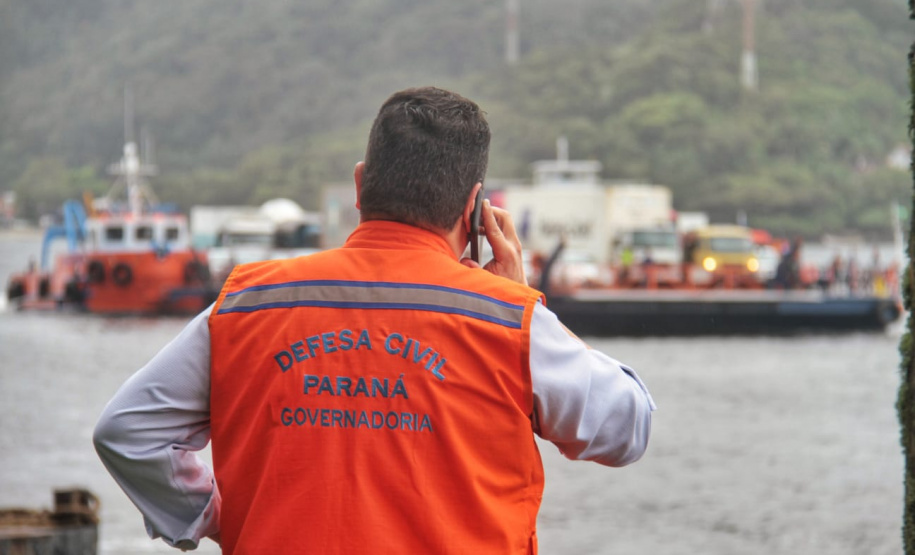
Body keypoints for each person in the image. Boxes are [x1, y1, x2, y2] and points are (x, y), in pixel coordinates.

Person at [93, 86, 655, 554]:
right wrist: (521, 301)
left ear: (361, 185)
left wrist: (213, 517)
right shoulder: (506, 319)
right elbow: (628, 427)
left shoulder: (245, 305)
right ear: (474, 209)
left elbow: (127, 433)